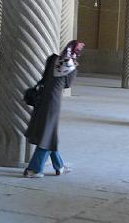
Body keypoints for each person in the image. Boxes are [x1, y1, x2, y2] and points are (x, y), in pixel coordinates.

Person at [23, 40, 85, 178]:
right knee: (47, 134)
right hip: (53, 102)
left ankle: (60, 166)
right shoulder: (72, 68)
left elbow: (44, 76)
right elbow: (67, 85)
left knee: (48, 133)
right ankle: (35, 169)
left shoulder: (53, 59)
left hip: (41, 98)